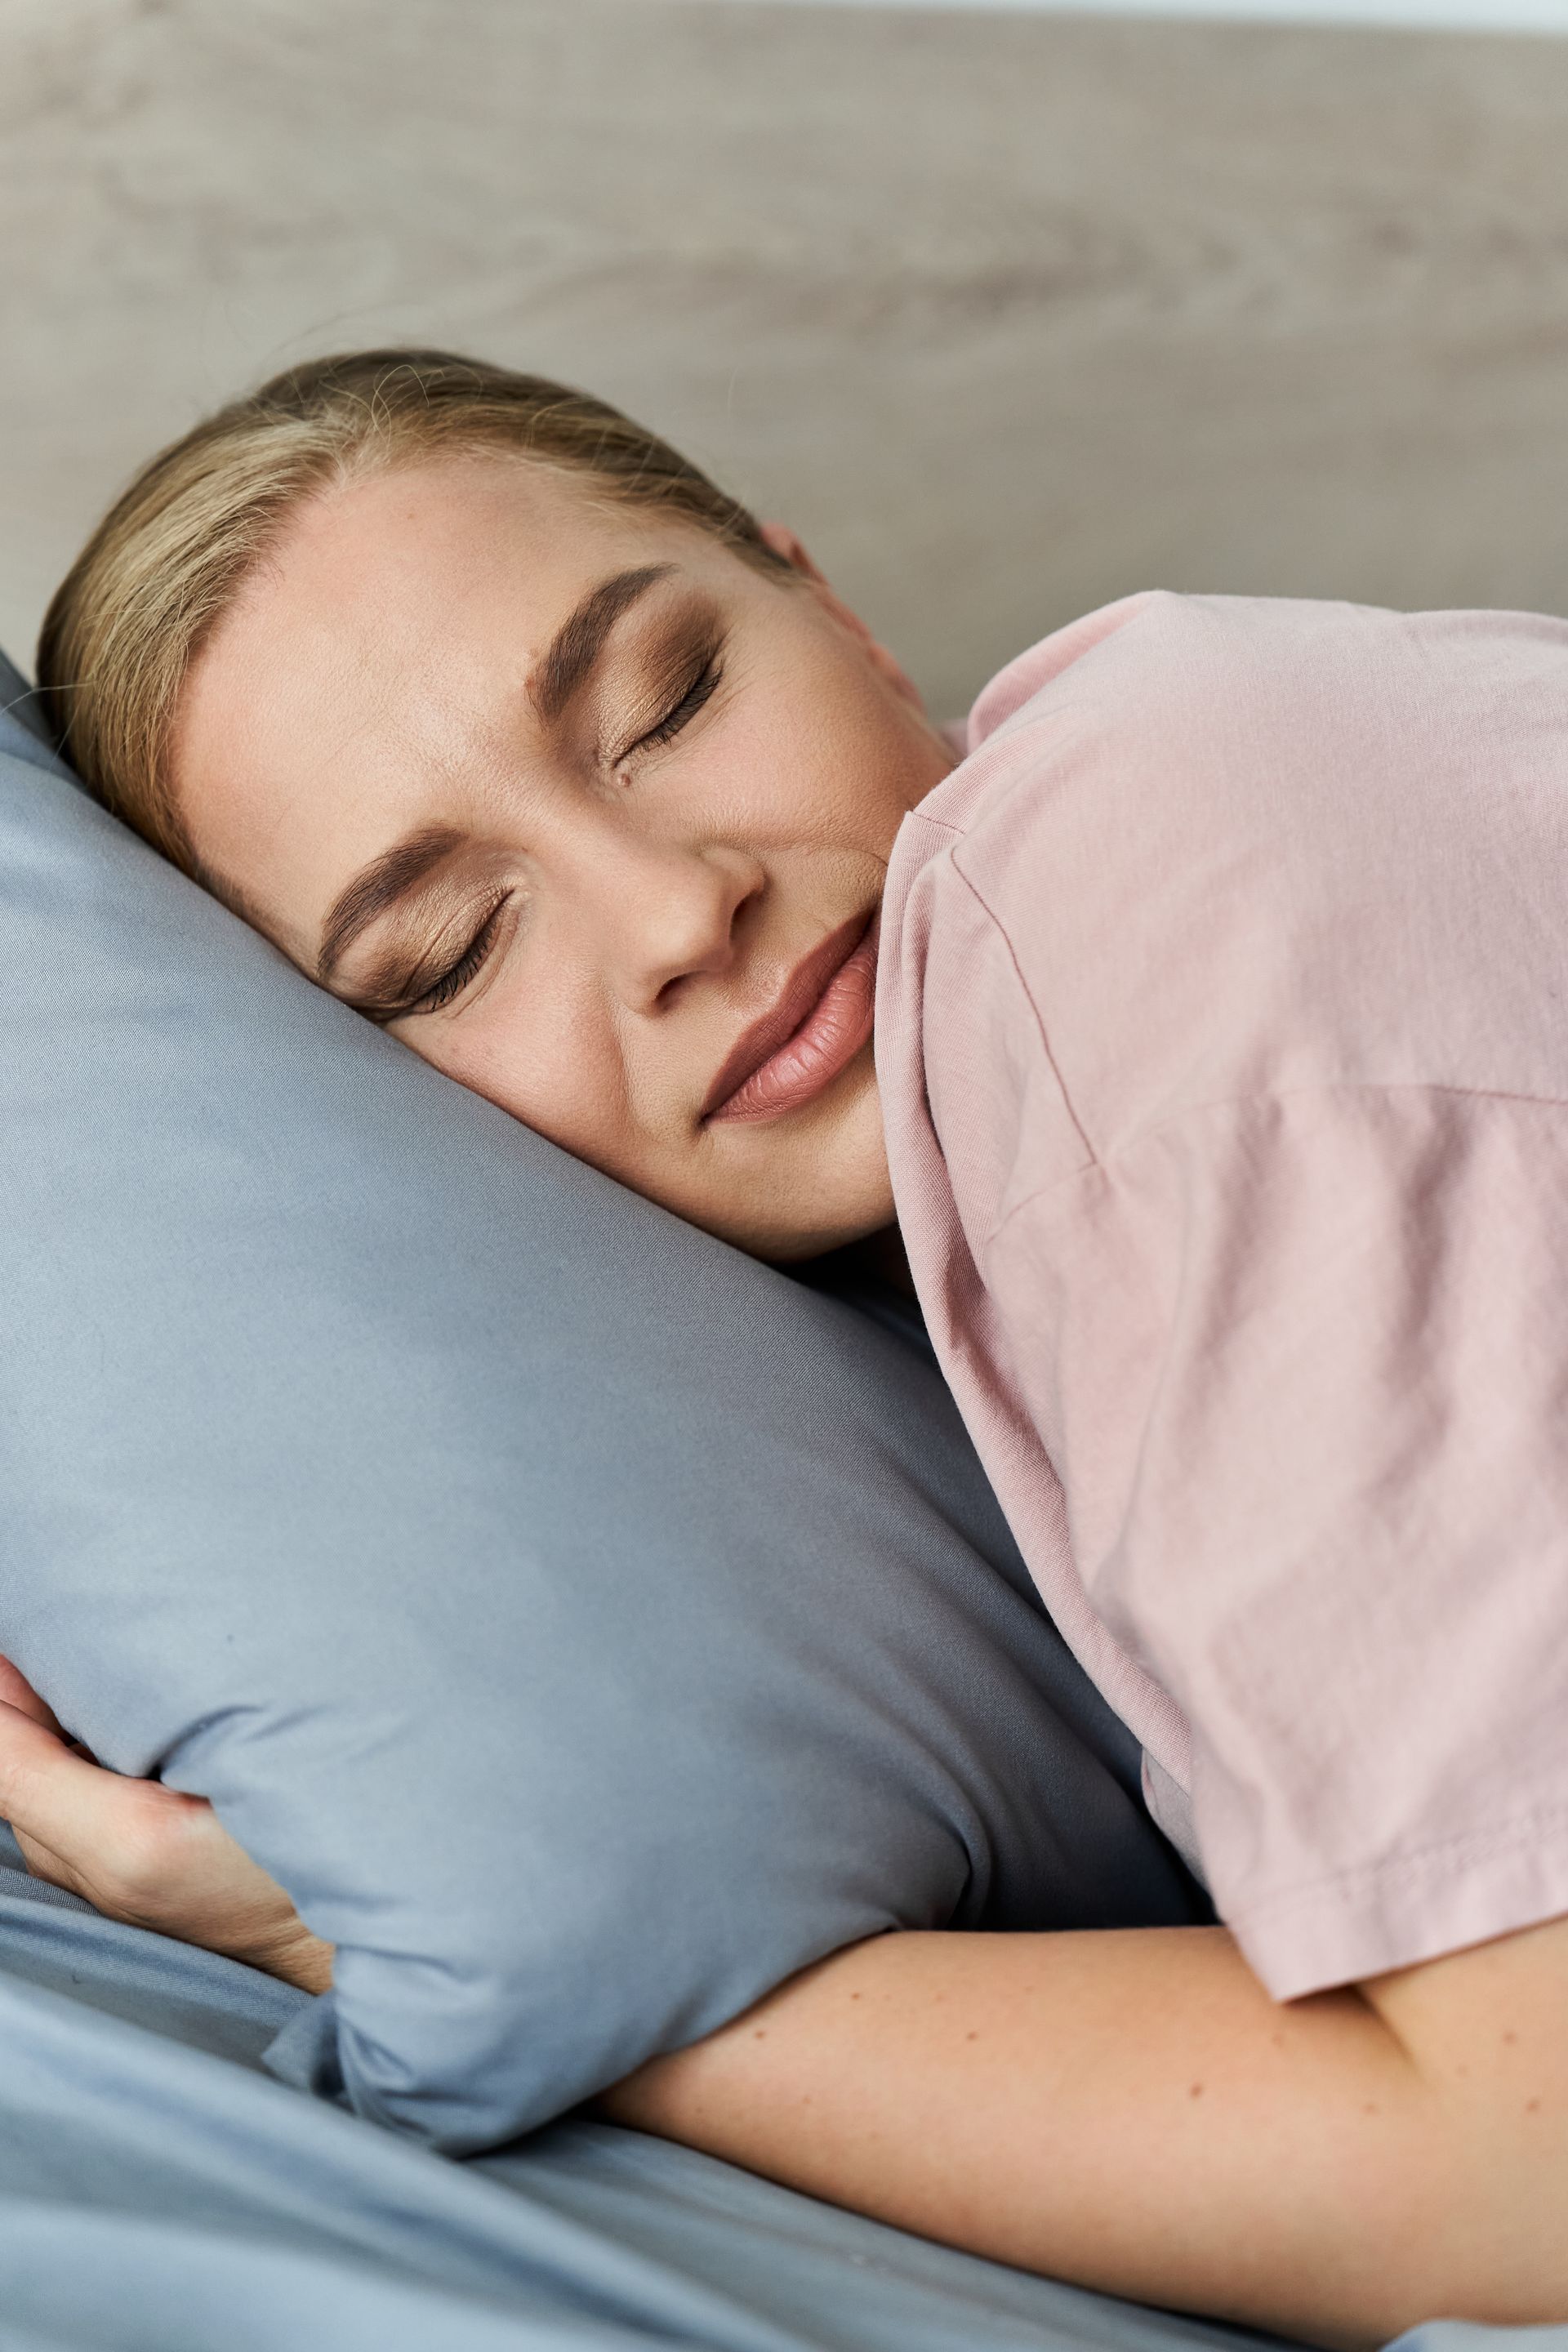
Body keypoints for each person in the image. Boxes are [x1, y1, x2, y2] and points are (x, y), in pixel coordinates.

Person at [3, 349, 1566, 2348]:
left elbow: (1529, 2162)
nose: (677, 911)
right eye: (452, 956)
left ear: (828, 606)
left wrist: (476, 1968)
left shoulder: (1137, 867)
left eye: (667, 701)